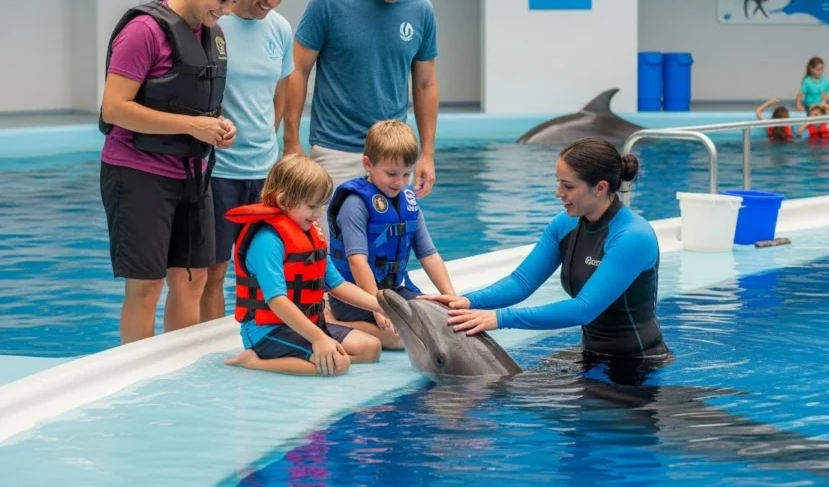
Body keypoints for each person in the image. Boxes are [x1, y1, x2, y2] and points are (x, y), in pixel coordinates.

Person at [97, 0, 245, 344]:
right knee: (147, 286)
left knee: (193, 281)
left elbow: (195, 103)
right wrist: (191, 126)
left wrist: (218, 126)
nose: (227, 10)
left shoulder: (212, 34)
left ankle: (176, 379)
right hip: (137, 171)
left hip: (193, 174)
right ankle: (136, 382)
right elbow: (115, 107)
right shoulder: (144, 31)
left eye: (233, 2)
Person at [421, 137, 669, 363]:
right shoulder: (565, 224)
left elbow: (584, 309)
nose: (558, 193)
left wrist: (500, 319)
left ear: (600, 188)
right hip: (591, 355)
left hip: (639, 363)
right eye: (558, 183)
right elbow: (521, 282)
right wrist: (467, 301)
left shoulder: (632, 236)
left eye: (568, 186)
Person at [282, 0, 440, 234]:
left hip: (393, 157)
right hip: (335, 150)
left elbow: (425, 85)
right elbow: (297, 70)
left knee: (387, 252)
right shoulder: (329, 2)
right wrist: (290, 141)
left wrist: (427, 155)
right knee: (331, 255)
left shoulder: (421, 10)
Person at [201, 0, 298, 323]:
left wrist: (272, 140)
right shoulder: (215, 24)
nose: (273, 1)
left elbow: (281, 91)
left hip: (265, 171)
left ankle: (261, 340)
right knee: (215, 271)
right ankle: (208, 353)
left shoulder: (280, 29)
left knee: (265, 268)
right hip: (220, 171)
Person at [223, 154, 388, 376]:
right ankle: (253, 361)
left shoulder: (309, 233)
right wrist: (319, 338)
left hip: (307, 324)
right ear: (284, 201)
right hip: (268, 330)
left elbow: (337, 284)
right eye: (312, 206)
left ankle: (313, 353)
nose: (317, 214)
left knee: (371, 348)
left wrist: (380, 305)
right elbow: (277, 301)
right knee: (339, 364)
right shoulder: (267, 241)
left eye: (320, 206)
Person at [325, 120, 455, 349]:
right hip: (355, 297)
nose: (400, 182)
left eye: (407, 174)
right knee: (400, 339)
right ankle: (328, 319)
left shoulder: (408, 201)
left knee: (441, 319)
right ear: (368, 164)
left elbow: (429, 255)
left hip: (393, 290)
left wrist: (452, 299)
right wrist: (377, 307)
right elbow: (357, 262)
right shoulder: (355, 204)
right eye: (391, 173)